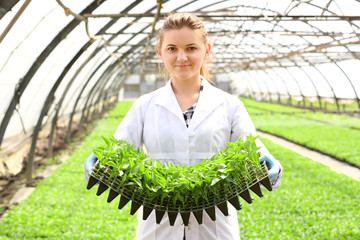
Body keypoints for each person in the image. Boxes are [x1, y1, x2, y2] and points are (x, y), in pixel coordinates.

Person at [85, 12, 282, 240]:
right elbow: (117, 155)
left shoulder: (230, 106)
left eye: (191, 48)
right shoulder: (144, 106)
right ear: (160, 52)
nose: (181, 57)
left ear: (206, 51)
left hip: (215, 230)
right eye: (172, 49)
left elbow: (253, 154)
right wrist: (98, 165)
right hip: (160, 229)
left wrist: (271, 168)